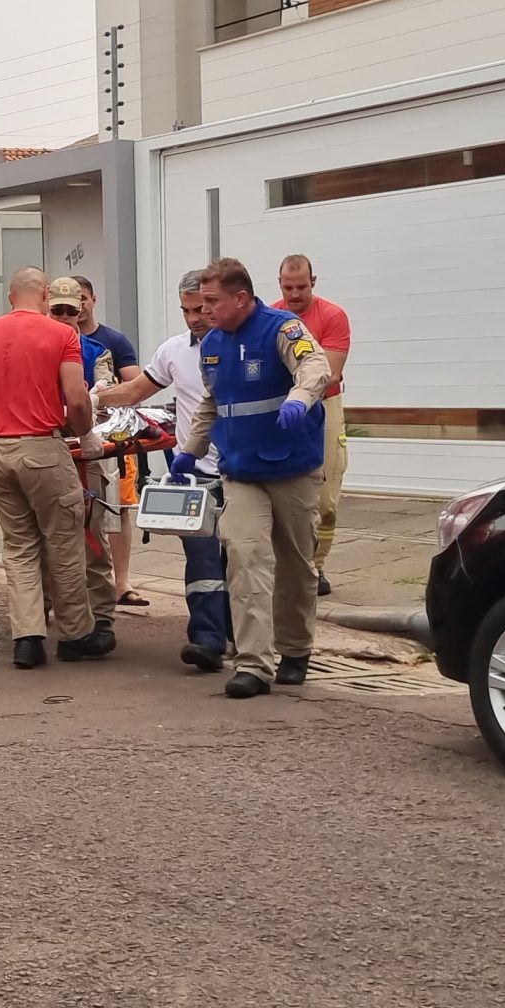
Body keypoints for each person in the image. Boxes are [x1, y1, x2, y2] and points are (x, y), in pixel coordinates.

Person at [172, 258, 333, 699]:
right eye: (201, 302)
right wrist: (190, 451)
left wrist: (300, 400)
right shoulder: (212, 346)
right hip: (241, 472)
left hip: (292, 468)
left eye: (212, 301)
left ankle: (296, 649)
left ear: (240, 298)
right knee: (245, 558)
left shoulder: (283, 330)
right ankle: (253, 665)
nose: (204, 311)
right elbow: (212, 403)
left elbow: (315, 368)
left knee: (297, 565)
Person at [91, 271, 231, 672]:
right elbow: (135, 392)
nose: (194, 318)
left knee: (239, 560)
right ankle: (207, 639)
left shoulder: (243, 345)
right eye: (186, 310)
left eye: (201, 309)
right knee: (202, 559)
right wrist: (90, 401)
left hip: (243, 472)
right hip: (198, 474)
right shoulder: (174, 351)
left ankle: (239, 631)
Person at [0, 268, 104, 670]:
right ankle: (76, 634)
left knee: (19, 546)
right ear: (45, 294)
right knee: (63, 542)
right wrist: (87, 435)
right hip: (42, 448)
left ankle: (27, 638)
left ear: (10, 296)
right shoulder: (61, 335)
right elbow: (78, 400)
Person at [46, 278, 125, 635]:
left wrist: (92, 402)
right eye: (56, 310)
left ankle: (103, 616)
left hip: (86, 451)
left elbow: (105, 399)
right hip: (47, 451)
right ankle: (44, 611)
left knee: (93, 538)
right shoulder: (34, 349)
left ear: (82, 311)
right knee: (45, 539)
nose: (64, 317)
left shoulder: (96, 351)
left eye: (70, 311)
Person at [69, 276, 150, 607]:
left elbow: (139, 384)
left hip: (107, 440)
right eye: (64, 306)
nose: (78, 307)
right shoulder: (46, 342)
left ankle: (120, 582)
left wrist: (106, 393)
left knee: (116, 509)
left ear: (92, 299)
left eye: (82, 299)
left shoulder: (108, 344)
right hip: (65, 442)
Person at [277, 254, 354, 597]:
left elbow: (331, 371)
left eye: (301, 287)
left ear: (314, 282)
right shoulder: (272, 315)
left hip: (324, 405)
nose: (294, 294)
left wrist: (300, 395)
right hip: (281, 408)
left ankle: (316, 565)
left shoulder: (332, 316)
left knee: (325, 501)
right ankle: (290, 565)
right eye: (288, 287)